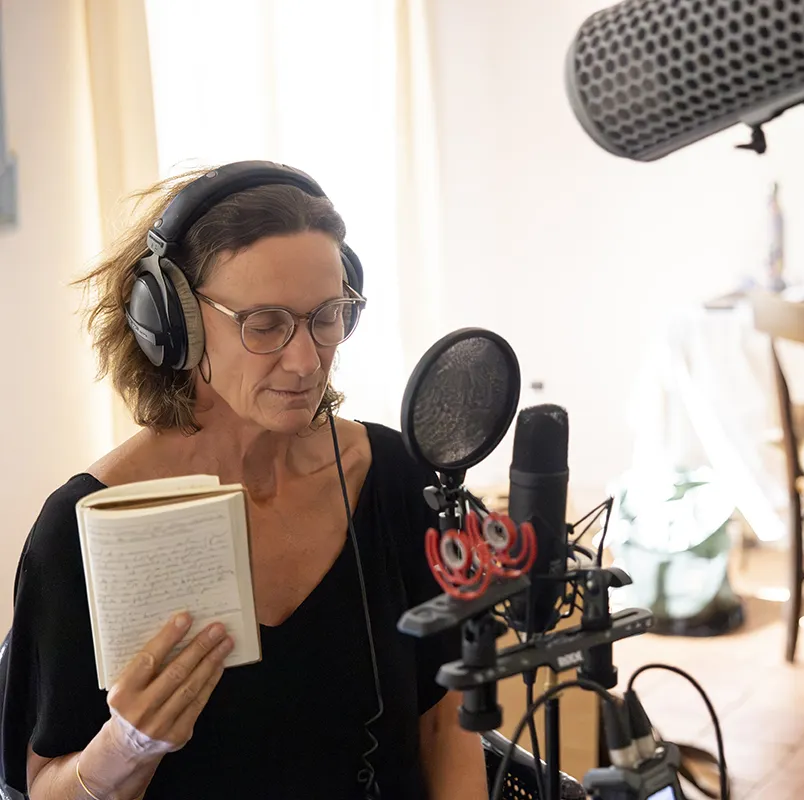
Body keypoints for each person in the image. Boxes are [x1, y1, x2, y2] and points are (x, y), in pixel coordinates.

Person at [4, 162, 488, 799]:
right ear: (172, 325)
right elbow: (42, 787)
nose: (306, 358)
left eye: (327, 316)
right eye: (265, 325)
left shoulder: (394, 474)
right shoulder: (86, 526)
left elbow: (445, 720)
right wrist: (127, 746)